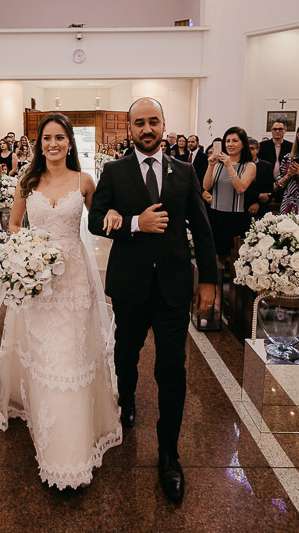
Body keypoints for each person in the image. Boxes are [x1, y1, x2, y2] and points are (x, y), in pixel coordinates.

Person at [88, 98, 216, 504]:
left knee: (171, 369)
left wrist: (209, 280)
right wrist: (133, 224)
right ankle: (126, 401)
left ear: (164, 125)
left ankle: (169, 454)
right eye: (139, 123)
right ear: (129, 129)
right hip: (130, 286)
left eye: (153, 122)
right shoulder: (114, 170)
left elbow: (201, 225)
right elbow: (95, 220)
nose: (147, 129)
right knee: (126, 354)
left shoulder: (183, 171)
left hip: (174, 288)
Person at [0, 113, 122, 490]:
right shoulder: (27, 181)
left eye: (60, 138)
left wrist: (112, 211)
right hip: (37, 277)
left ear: (69, 143)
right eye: (47, 138)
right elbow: (15, 225)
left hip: (73, 279)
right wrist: (30, 252)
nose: (53, 144)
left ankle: (74, 445)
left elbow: (98, 218)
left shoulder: (84, 181)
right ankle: (52, 438)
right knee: (44, 351)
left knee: (71, 353)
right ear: (40, 143)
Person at [203, 127, 257, 262]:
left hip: (235, 217)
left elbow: (240, 188)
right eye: (227, 141)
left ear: (243, 144)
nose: (230, 144)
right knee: (215, 255)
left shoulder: (249, 166)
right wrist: (210, 166)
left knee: (234, 258)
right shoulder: (217, 165)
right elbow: (206, 186)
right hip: (216, 215)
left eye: (234, 141)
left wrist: (229, 165)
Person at [245, 137, 275, 217]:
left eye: (252, 148)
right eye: (246, 149)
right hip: (243, 205)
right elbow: (240, 187)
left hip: (262, 206)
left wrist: (258, 204)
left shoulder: (266, 165)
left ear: (257, 150)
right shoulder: (239, 165)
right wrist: (258, 195)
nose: (249, 151)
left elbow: (269, 187)